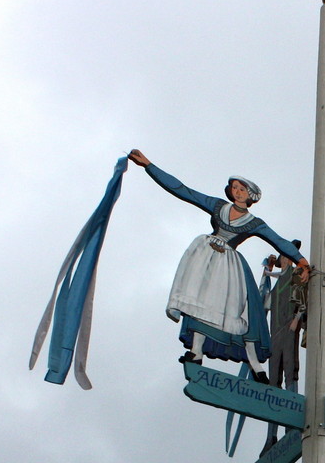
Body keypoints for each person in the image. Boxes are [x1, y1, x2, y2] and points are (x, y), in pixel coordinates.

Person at [127, 149, 309, 383]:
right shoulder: (218, 206)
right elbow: (184, 191)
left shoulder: (254, 222)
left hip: (229, 264)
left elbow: (279, 241)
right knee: (200, 303)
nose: (237, 191)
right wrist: (149, 166)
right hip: (205, 257)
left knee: (242, 311)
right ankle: (196, 352)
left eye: (242, 189)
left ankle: (256, 366)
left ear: (250, 195)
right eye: (235, 187)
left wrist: (302, 261)